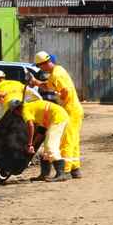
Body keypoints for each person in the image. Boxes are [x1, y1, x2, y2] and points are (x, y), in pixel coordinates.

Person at [29, 51, 84, 179]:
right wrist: (36, 82)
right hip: (73, 109)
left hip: (70, 110)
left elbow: (64, 91)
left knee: (66, 140)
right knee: (73, 140)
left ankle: (64, 171)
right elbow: (48, 86)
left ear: (44, 64)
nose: (40, 68)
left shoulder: (57, 74)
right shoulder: (56, 72)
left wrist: (57, 95)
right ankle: (75, 169)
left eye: (39, 66)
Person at [11, 99, 70, 183]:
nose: (17, 115)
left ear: (16, 110)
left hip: (57, 119)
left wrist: (29, 144)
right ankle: (44, 175)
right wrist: (33, 144)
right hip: (59, 117)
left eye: (14, 113)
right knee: (45, 150)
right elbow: (41, 131)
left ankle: (61, 174)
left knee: (51, 146)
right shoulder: (34, 109)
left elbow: (30, 126)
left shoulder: (25, 110)